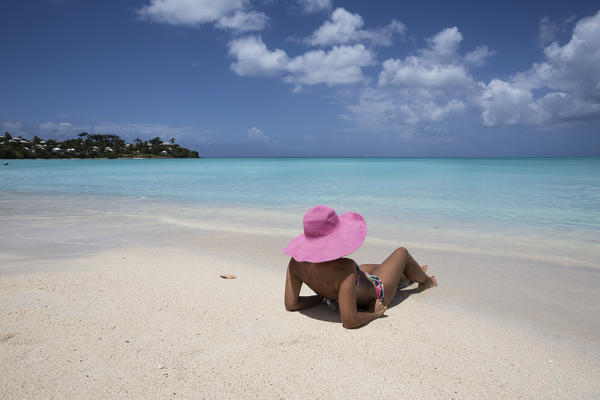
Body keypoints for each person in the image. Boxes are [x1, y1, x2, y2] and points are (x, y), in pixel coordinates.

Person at [284, 205, 437, 329]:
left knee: (373, 269)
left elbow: (292, 304)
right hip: (375, 293)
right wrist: (374, 314)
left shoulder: (295, 263)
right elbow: (349, 321)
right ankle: (426, 281)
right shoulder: (345, 268)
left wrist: (321, 297)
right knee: (402, 253)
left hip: (341, 292)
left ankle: (410, 275)